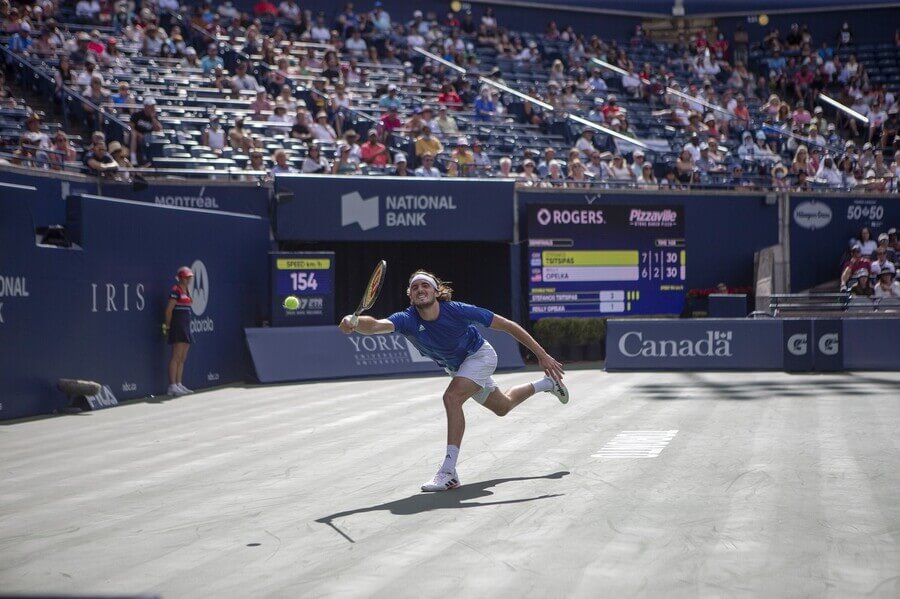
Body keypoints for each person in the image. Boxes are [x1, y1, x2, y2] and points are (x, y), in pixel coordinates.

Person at [338, 270, 568, 492]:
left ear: (437, 292)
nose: (420, 289)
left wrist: (542, 355)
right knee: (503, 406)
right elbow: (376, 325)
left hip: (480, 356)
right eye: (415, 287)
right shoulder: (406, 319)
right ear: (410, 295)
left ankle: (448, 471)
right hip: (457, 367)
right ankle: (547, 384)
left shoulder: (457, 310)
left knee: (451, 398)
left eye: (425, 285)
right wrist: (353, 321)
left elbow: (508, 325)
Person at [163, 266, 195, 397]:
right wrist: (168, 326)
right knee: (176, 356)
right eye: (187, 277)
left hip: (186, 327)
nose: (189, 279)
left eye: (190, 277)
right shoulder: (175, 291)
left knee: (183, 357)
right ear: (181, 278)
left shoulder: (186, 290)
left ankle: (179, 383)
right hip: (177, 326)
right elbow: (169, 310)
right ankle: (172, 386)